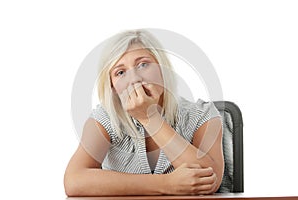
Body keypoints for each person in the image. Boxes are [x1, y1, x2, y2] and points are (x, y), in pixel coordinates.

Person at [64, 29, 224, 196]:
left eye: (143, 64)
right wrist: (166, 184)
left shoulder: (203, 115)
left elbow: (209, 179)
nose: (134, 79)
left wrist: (149, 118)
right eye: (120, 72)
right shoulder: (104, 119)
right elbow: (74, 181)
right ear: (113, 88)